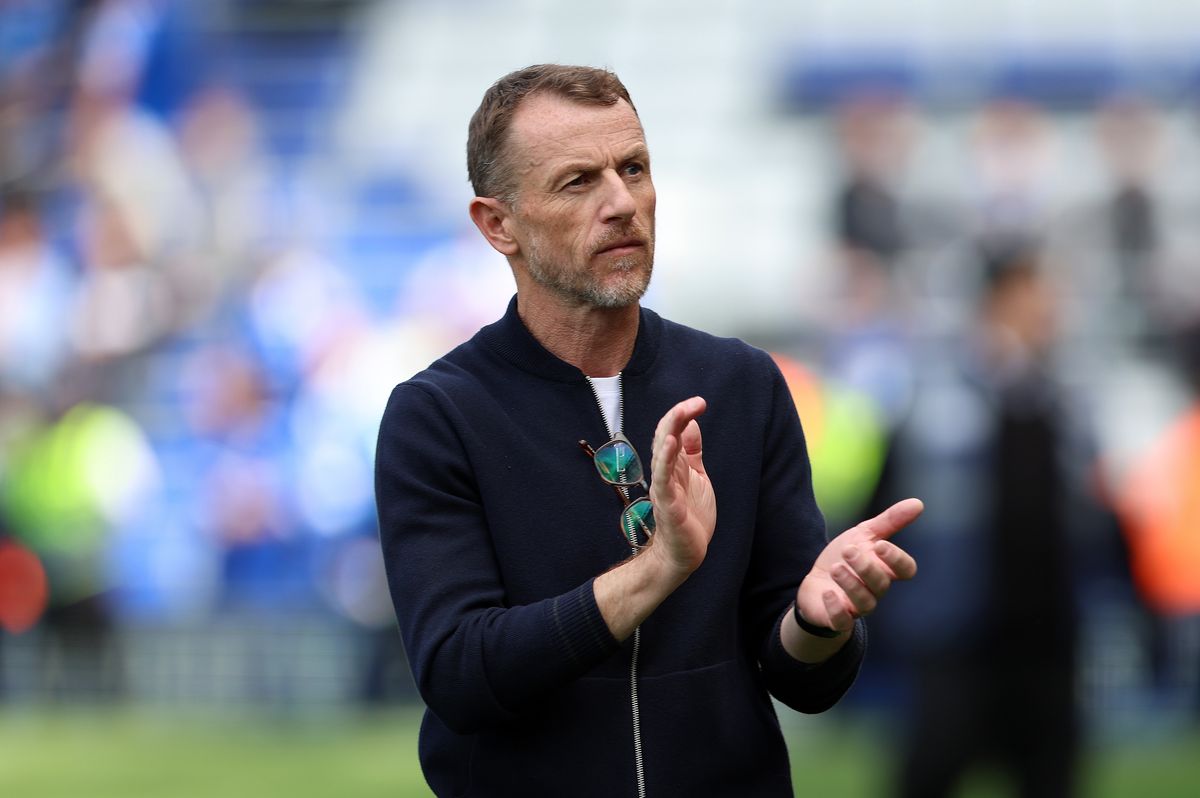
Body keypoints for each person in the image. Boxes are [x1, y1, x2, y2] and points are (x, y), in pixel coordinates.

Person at [374, 64, 922, 797]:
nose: (622, 203)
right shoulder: (438, 415)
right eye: (578, 182)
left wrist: (816, 621)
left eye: (634, 168)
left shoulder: (743, 385)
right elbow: (463, 674)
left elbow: (800, 679)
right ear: (497, 224)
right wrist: (658, 567)